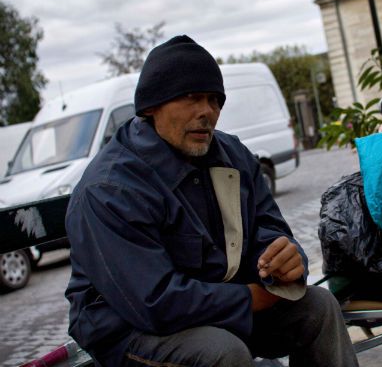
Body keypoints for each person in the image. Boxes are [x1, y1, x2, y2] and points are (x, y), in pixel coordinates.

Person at [64, 35, 358, 367]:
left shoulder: (231, 155)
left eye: (215, 100)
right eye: (192, 98)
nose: (208, 112)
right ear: (151, 107)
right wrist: (249, 298)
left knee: (319, 308)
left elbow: (268, 229)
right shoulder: (110, 189)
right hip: (128, 329)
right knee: (220, 351)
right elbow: (153, 304)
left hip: (218, 305)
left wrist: (286, 260)